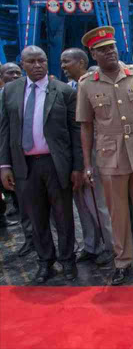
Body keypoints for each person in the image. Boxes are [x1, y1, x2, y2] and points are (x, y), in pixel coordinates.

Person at [77, 26, 133, 285]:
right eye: (103, 50)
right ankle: (123, 261)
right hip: (109, 155)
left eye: (112, 48)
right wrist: (87, 164)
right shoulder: (87, 84)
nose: (110, 53)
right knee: (117, 213)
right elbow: (85, 125)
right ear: (93, 55)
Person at [0, 46, 83, 282]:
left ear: (47, 63)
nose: (37, 65)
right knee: (36, 217)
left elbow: (75, 133)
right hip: (25, 166)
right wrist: (4, 165)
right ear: (22, 64)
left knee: (64, 216)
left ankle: (68, 261)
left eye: (42, 61)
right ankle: (45, 261)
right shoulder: (10, 92)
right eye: (31, 61)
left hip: (56, 164)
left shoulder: (64, 91)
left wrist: (77, 167)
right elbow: (4, 131)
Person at [61, 48, 114, 266]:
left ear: (81, 62)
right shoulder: (70, 88)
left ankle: (111, 247)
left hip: (94, 152)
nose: (63, 66)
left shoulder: (94, 80)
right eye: (61, 62)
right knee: (82, 204)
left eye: (67, 62)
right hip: (75, 154)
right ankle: (92, 246)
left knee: (100, 203)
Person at [0, 63, 24, 230]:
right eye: (11, 73)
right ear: (1, 77)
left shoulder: (25, 95)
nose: (15, 76)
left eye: (18, 72)